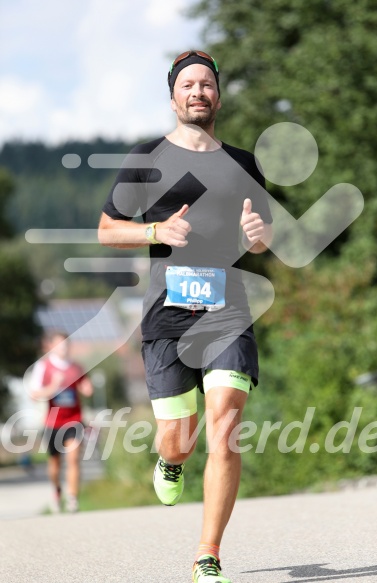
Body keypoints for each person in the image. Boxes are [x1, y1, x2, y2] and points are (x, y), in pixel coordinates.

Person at [98, 50, 273, 583]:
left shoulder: (244, 163)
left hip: (227, 310)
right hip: (166, 317)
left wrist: (262, 239)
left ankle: (207, 553)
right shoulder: (147, 158)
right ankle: (170, 460)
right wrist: (156, 232)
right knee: (180, 438)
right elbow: (108, 229)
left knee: (224, 430)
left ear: (218, 95)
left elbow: (263, 235)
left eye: (207, 84)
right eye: (188, 84)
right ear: (173, 96)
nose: (198, 92)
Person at [30, 330, 93, 513]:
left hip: (74, 420)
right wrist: (52, 387)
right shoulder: (43, 367)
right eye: (59, 344)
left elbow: (85, 386)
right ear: (50, 346)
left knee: (73, 459)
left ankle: (73, 499)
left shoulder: (76, 367)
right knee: (54, 465)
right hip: (53, 423)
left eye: (66, 344)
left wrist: (87, 388)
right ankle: (57, 490)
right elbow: (35, 395)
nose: (63, 348)